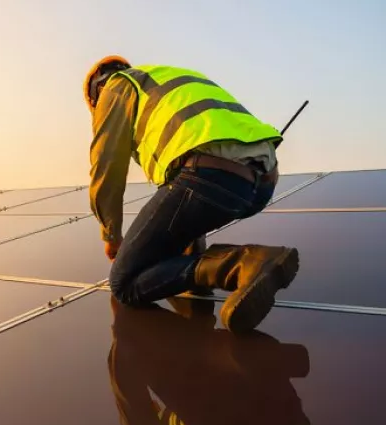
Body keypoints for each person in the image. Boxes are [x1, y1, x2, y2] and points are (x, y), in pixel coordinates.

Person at [84, 55, 299, 333]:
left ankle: (244, 264)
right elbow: (185, 208)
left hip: (208, 174)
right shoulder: (171, 80)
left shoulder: (115, 86)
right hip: (259, 183)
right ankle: (202, 278)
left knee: (124, 283)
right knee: (177, 227)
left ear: (95, 92)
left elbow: (106, 164)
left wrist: (111, 236)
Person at [107, 295, 312, 425]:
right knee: (142, 341)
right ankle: (234, 354)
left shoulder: (175, 419)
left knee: (201, 361)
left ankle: (247, 355)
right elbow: (131, 410)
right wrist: (123, 327)